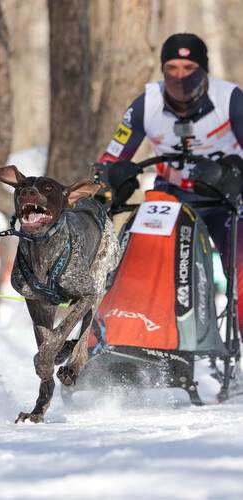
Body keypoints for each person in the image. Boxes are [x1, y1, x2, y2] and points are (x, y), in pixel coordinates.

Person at [97, 32, 243, 332]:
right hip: (171, 196)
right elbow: (110, 159)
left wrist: (234, 172)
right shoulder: (146, 104)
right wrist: (112, 178)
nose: (180, 76)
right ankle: (128, 333)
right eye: (172, 68)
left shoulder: (230, 99)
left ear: (204, 70)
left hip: (226, 196)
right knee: (141, 257)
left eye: (189, 68)